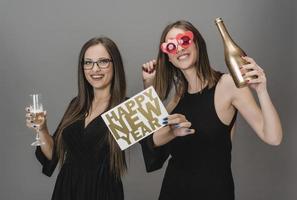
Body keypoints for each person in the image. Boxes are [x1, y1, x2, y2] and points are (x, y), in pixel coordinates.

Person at [140, 20, 283, 200]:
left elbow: (273, 137)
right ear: (168, 56)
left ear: (198, 44)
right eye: (171, 45)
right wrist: (148, 87)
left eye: (184, 40)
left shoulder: (228, 85)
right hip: (173, 190)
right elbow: (150, 141)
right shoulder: (176, 99)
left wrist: (262, 90)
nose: (179, 48)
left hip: (214, 192)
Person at [25, 37, 127, 200]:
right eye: (88, 63)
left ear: (115, 64)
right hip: (67, 188)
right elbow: (53, 155)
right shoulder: (76, 104)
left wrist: (149, 85)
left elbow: (152, 142)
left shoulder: (125, 107)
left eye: (103, 62)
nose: (95, 69)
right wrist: (42, 129)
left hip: (102, 190)